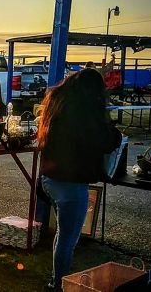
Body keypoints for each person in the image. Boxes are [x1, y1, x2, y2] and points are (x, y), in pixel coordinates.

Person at [35, 68, 122, 290]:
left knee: (63, 234)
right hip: (70, 184)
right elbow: (104, 140)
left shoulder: (59, 104)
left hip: (49, 180)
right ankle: (59, 284)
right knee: (67, 239)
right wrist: (117, 134)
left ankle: (56, 279)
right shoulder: (85, 114)